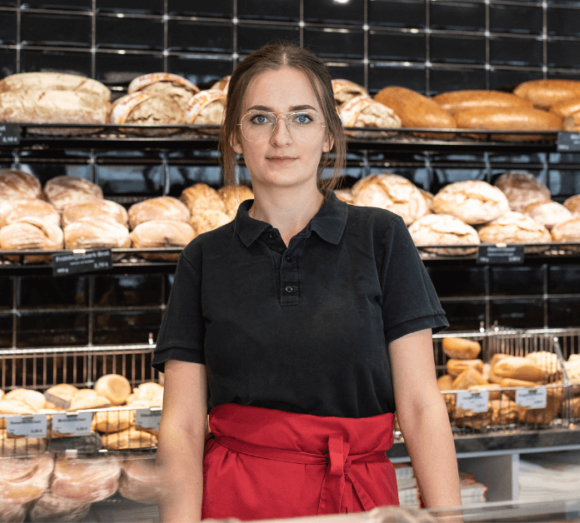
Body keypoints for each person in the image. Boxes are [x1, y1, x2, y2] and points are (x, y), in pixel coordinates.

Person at [153, 41, 461, 521]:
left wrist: (449, 520)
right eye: (260, 118)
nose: (281, 138)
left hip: (358, 502)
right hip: (237, 501)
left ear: (328, 136)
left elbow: (421, 406)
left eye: (301, 118)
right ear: (235, 136)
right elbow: (183, 425)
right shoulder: (204, 257)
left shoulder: (382, 238)